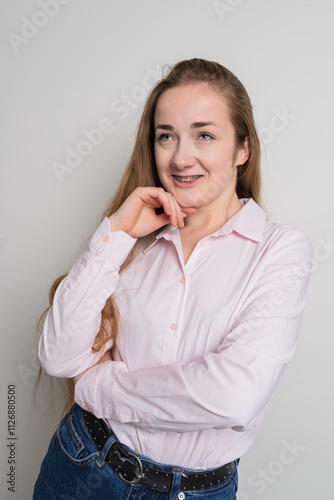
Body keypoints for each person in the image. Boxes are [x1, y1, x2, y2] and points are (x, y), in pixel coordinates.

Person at [33, 58, 313, 499]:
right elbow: (58, 356)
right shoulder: (134, 240)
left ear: (243, 148)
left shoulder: (279, 250)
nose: (181, 157)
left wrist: (99, 387)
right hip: (82, 466)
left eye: (204, 134)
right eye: (166, 136)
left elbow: (234, 395)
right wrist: (116, 235)